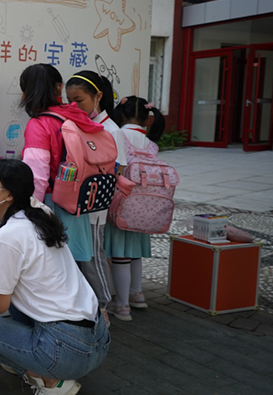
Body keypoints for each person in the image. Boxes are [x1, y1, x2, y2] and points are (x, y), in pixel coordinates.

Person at [0, 158, 110, 395]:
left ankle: (50, 382)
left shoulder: (8, 235)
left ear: (8, 195)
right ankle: (32, 360)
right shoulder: (42, 214)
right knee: (18, 301)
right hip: (98, 340)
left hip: (65, 351)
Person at [20, 64, 109, 300]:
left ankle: (71, 316)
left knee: (58, 271)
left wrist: (29, 211)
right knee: (79, 266)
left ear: (25, 93)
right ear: (59, 88)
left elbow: (37, 177)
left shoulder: (39, 124)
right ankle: (96, 310)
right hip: (78, 202)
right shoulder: (77, 116)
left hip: (53, 204)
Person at [65, 71, 127, 322]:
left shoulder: (111, 130)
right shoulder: (79, 126)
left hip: (95, 207)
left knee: (93, 257)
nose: (73, 106)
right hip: (77, 205)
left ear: (98, 96)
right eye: (69, 100)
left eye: (78, 100)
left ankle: (102, 307)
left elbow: (118, 171)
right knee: (80, 257)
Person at [106, 96, 166, 320]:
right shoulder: (151, 144)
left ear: (122, 114)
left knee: (120, 255)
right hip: (145, 206)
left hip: (122, 203)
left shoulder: (118, 135)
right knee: (135, 254)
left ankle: (122, 306)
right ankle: (137, 294)